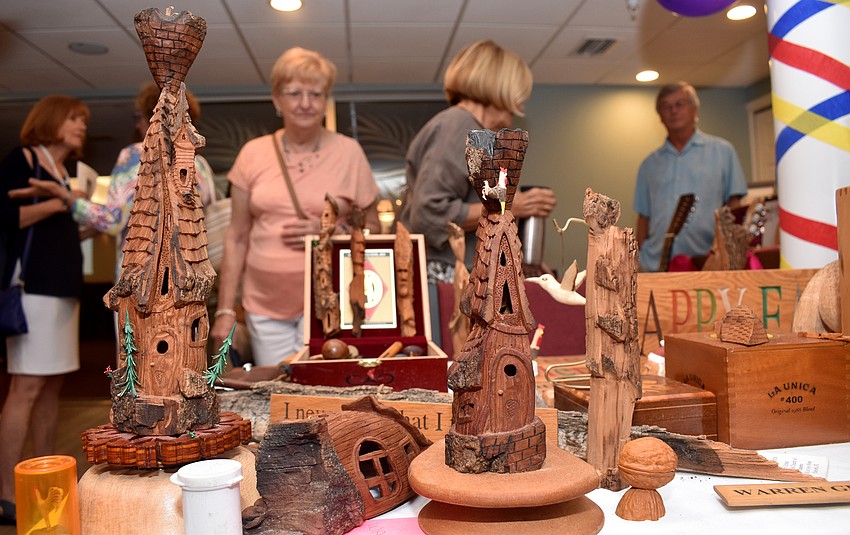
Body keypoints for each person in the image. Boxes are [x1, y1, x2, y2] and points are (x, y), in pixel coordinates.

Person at [210, 47, 380, 365]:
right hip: (264, 305)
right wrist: (225, 310)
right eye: (294, 93)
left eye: (315, 94)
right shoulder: (252, 154)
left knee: (325, 388)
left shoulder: (349, 152)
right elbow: (236, 237)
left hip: (332, 302)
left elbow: (374, 229)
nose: (305, 103)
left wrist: (331, 230)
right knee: (275, 387)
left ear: (326, 100)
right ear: (277, 100)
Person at [0, 95, 91, 524]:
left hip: (63, 290)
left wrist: (78, 216)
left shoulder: (64, 172)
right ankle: (6, 493)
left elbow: (58, 230)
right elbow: (7, 218)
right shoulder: (24, 159)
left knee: (52, 386)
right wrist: (62, 201)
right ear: (51, 120)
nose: (81, 126)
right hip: (32, 289)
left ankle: (43, 481)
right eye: (74, 118)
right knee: (26, 387)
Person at [399, 39, 557, 284]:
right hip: (444, 278)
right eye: (518, 95)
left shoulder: (476, 133)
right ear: (499, 88)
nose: (520, 107)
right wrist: (509, 206)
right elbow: (429, 214)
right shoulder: (456, 126)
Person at [69, 82, 217, 282]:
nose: (137, 125)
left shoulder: (135, 156)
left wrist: (72, 201)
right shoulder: (201, 166)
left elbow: (113, 220)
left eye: (138, 117)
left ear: (154, 116)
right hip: (188, 277)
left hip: (142, 275)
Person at [634, 81, 748, 272]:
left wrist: (729, 254)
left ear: (694, 110)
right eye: (666, 106)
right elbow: (643, 218)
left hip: (708, 263)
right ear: (660, 116)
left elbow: (734, 207)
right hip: (656, 265)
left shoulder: (723, 152)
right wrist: (637, 261)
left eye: (679, 104)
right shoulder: (648, 165)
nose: (673, 111)